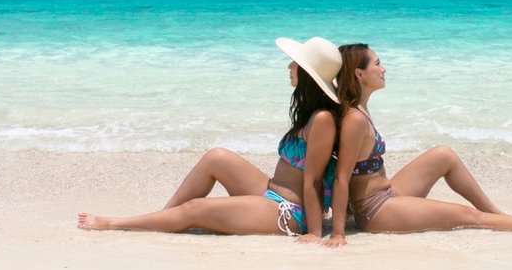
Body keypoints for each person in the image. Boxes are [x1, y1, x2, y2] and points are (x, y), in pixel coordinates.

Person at [78, 37, 342, 237]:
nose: (289, 65)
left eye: (295, 62)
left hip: (291, 211)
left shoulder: (322, 120)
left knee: (196, 208)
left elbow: (314, 179)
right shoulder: (310, 114)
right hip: (270, 191)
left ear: (307, 74)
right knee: (216, 157)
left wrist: (315, 235)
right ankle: (164, 217)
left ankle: (115, 224)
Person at [332, 43, 512, 233]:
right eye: (377, 63)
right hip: (375, 210)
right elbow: (341, 177)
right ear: (359, 74)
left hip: (388, 194)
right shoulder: (355, 118)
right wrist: (338, 234)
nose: (383, 68)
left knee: (443, 154)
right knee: (467, 216)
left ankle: (495, 213)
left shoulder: (360, 110)